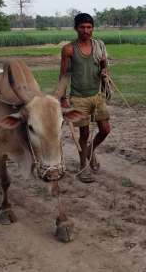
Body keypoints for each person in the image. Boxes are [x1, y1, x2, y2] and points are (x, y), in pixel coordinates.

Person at [59, 13, 110, 183]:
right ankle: (83, 166)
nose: (86, 30)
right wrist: (63, 98)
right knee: (84, 133)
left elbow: (104, 66)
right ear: (76, 28)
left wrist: (104, 71)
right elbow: (64, 75)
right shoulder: (68, 49)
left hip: (97, 95)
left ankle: (88, 152)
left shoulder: (99, 45)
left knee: (105, 130)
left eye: (89, 27)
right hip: (79, 98)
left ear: (93, 28)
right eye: (82, 27)